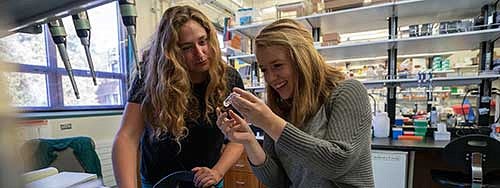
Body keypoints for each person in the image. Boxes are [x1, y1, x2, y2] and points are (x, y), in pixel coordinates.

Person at [217, 19, 374, 187]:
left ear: (303, 59)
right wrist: (249, 141)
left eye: (277, 65)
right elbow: (277, 181)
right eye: (264, 70)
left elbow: (337, 163)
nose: (270, 78)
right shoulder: (280, 108)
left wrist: (269, 122)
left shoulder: (348, 91)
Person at [112, 5, 244, 188]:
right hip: (158, 181)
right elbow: (127, 137)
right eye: (187, 47)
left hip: (207, 181)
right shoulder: (150, 77)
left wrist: (218, 171)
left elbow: (238, 137)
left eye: (203, 42)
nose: (199, 53)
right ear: (171, 52)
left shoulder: (229, 78)